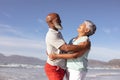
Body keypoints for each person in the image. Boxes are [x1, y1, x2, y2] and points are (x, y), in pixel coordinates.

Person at [44, 13, 90, 80]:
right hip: (54, 68)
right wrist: (84, 47)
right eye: (58, 19)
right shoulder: (51, 35)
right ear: (51, 22)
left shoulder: (57, 33)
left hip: (61, 68)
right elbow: (66, 48)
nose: (60, 21)